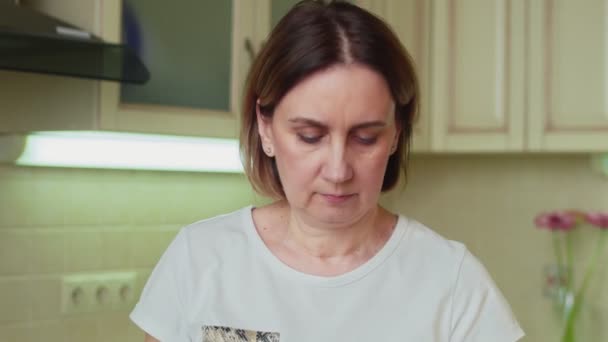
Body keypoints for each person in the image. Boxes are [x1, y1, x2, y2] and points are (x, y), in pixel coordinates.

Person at [130, 1, 525, 341]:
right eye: (310, 136)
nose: (338, 170)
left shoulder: (452, 282)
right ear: (266, 127)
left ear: (395, 134)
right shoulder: (198, 259)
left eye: (365, 138)